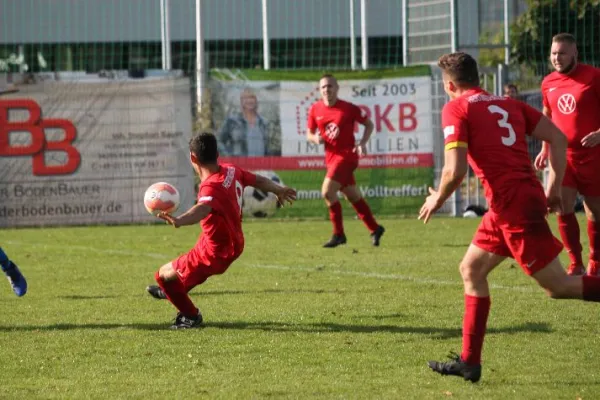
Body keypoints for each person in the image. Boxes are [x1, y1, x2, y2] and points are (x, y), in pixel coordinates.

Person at [421, 52, 600, 383]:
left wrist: (437, 198)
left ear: (449, 85)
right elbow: (558, 137)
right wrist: (554, 187)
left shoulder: (456, 107)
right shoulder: (508, 103)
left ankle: (470, 360)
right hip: (510, 202)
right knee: (471, 269)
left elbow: (454, 169)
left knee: (558, 286)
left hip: (512, 205)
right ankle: (469, 362)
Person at [148, 132, 296, 329]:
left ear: (193, 158)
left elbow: (201, 209)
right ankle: (173, 292)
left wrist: (179, 220)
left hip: (213, 253)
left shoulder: (210, 188)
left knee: (163, 275)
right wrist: (278, 189)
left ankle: (190, 316)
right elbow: (257, 180)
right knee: (183, 276)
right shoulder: (231, 170)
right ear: (217, 153)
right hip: (232, 242)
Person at [534, 33, 600, 276]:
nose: (556, 58)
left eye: (562, 53)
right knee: (562, 206)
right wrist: (545, 148)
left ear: (575, 54)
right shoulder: (548, 82)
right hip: (564, 157)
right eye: (553, 53)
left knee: (594, 210)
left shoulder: (594, 77)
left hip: (594, 156)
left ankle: (596, 262)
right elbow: (547, 115)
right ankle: (575, 263)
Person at [306, 74, 385, 248]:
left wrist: (362, 143)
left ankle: (339, 234)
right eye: (323, 87)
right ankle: (375, 228)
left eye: (330, 86)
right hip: (331, 158)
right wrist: (315, 139)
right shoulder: (315, 109)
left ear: (337, 88)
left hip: (347, 157)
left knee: (327, 192)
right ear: (320, 91)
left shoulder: (348, 109)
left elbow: (369, 124)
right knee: (352, 196)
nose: (327, 90)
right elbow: (309, 134)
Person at [218, 88, 276, 157]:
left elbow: (269, 147)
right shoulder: (232, 121)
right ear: (241, 101)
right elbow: (219, 141)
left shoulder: (264, 122)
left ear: (256, 101)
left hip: (261, 165)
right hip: (240, 166)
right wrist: (228, 157)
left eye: (252, 97)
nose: (249, 100)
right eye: (245, 98)